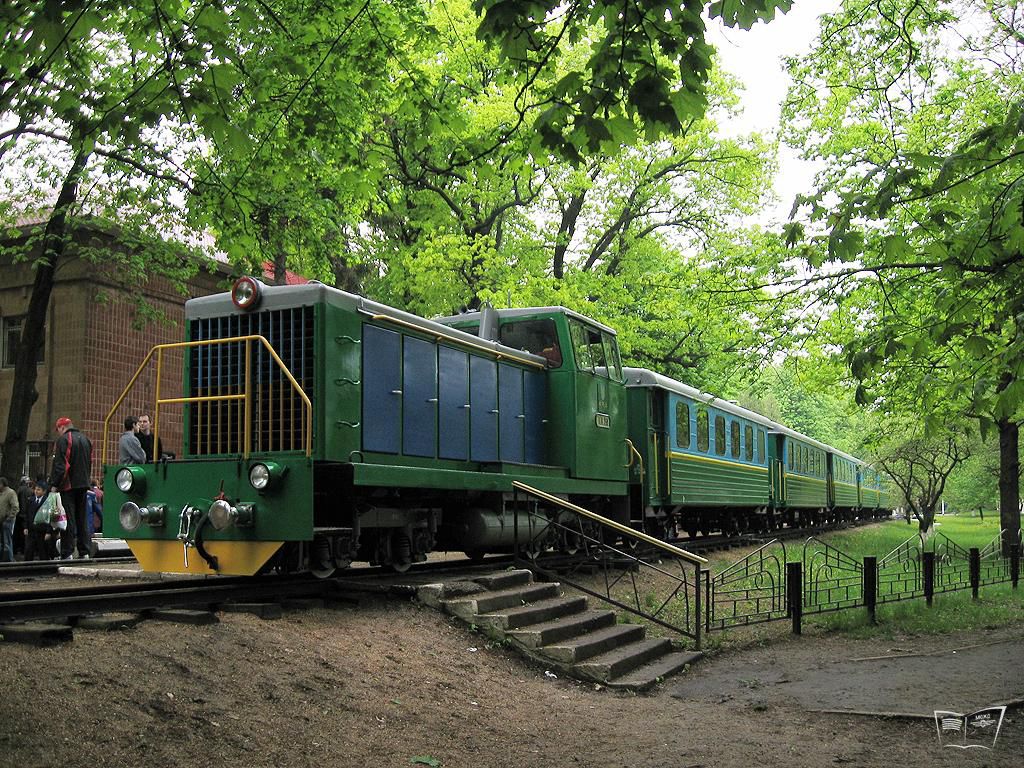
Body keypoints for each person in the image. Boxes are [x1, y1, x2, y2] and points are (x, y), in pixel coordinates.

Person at [50, 416, 93, 560]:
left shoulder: (64, 440)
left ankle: (67, 552)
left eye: (58, 429)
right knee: (82, 518)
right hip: (83, 484)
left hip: (68, 485)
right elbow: (89, 463)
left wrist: (54, 484)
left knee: (67, 519)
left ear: (62, 427)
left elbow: (61, 466)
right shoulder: (85, 440)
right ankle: (84, 551)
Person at [23, 479, 57, 561]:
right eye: (35, 489)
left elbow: (50, 517)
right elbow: (27, 514)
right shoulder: (31, 500)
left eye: (39, 490)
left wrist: (49, 531)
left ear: (44, 491)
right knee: (28, 550)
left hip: (42, 531)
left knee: (43, 551)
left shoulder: (47, 502)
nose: (36, 491)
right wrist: (25, 527)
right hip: (31, 530)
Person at [0, 477, 19, 562]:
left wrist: (10, 517)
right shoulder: (1, 493)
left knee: (7, 540)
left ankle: (9, 559)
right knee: (1, 541)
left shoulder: (10, 493)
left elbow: (15, 507)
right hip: (0, 520)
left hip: (7, 520)